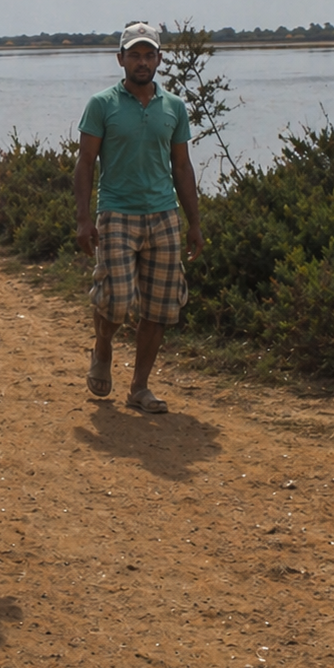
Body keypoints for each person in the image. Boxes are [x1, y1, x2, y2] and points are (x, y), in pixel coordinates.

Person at [74, 21, 204, 414]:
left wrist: (194, 222)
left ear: (160, 59)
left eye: (149, 55)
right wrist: (84, 219)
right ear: (121, 59)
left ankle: (140, 388)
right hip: (116, 213)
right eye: (135, 54)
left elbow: (182, 166)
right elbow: (85, 163)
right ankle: (102, 346)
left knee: (161, 307)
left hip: (163, 215)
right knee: (116, 300)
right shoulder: (102, 105)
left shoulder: (174, 107)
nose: (142, 62)